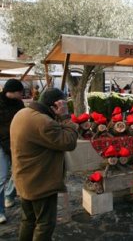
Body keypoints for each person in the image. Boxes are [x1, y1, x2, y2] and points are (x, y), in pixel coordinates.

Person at [10, 88, 78, 240]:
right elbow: (69, 142)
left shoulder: (23, 113)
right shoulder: (43, 121)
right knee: (45, 223)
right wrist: (66, 117)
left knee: (28, 220)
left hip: (24, 178)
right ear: (55, 106)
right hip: (40, 182)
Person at [0, 79, 25, 224]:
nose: (22, 94)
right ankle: (0, 211)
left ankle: (9, 196)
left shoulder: (19, 104)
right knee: (1, 177)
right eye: (20, 92)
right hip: (1, 143)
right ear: (13, 92)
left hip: (16, 142)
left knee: (18, 171)